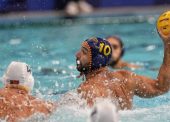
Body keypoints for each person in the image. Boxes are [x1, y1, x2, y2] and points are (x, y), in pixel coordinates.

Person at [76, 11, 170, 110]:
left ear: (95, 60)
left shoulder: (87, 89)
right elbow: (161, 87)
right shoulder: (126, 78)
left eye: (84, 52)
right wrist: (168, 45)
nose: (77, 54)